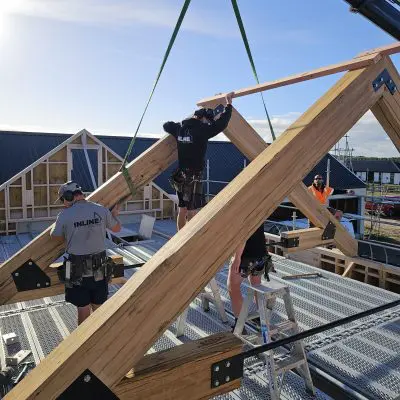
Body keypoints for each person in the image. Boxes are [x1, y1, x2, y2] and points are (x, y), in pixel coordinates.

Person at [50, 181, 121, 325]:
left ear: (68, 197)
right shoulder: (101, 210)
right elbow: (117, 229)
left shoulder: (65, 215)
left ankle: (83, 343)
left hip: (76, 270)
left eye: (63, 200)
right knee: (99, 308)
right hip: (100, 268)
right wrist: (114, 216)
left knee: (83, 309)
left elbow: (54, 236)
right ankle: (100, 339)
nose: (63, 204)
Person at [163, 92, 234, 230]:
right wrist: (229, 105)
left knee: (182, 210)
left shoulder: (180, 129)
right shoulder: (203, 130)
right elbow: (222, 123)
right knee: (192, 211)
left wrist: (182, 124)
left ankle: (180, 238)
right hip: (193, 177)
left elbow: (166, 125)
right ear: (203, 119)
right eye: (207, 120)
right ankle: (189, 243)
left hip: (181, 175)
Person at [227, 224, 274, 333]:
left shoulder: (237, 207)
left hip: (245, 254)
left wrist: (237, 257)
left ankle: (239, 326)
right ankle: (260, 317)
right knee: (256, 284)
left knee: (233, 286)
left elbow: (243, 232)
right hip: (259, 250)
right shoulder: (257, 206)